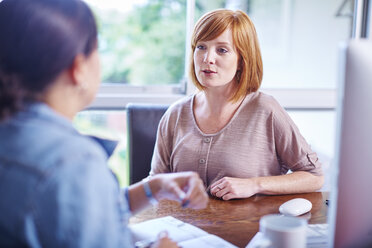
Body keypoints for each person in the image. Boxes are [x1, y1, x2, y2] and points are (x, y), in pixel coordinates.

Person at [0, 0, 208, 247]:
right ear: (78, 68)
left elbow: (73, 213)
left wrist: (153, 187)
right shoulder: (74, 162)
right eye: (97, 50)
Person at [150, 9, 324, 201]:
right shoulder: (175, 114)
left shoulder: (266, 109)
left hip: (247, 228)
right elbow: (155, 185)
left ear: (242, 60)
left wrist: (254, 184)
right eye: (201, 47)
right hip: (183, 228)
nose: (207, 58)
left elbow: (314, 177)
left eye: (222, 50)